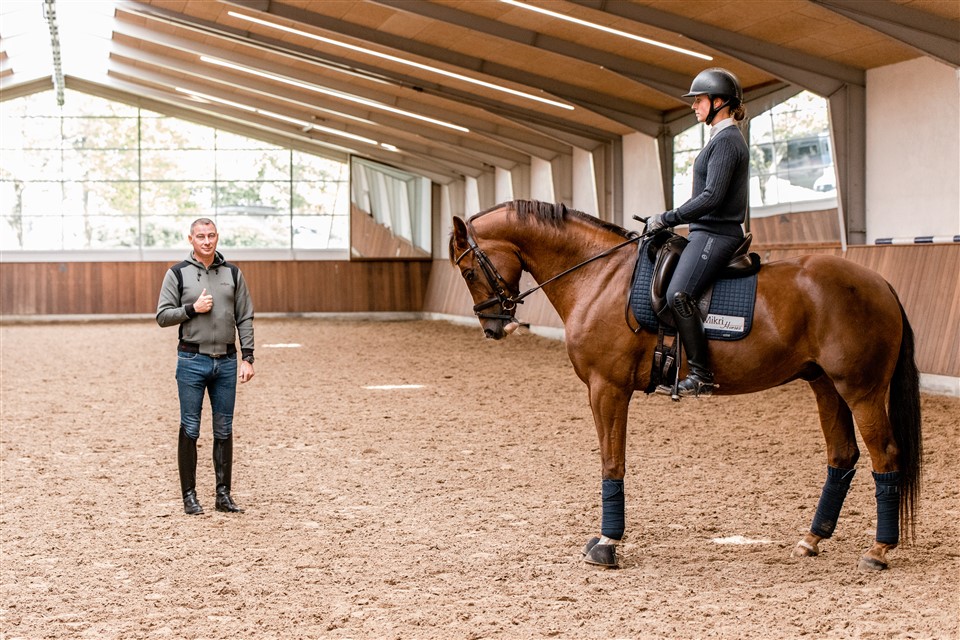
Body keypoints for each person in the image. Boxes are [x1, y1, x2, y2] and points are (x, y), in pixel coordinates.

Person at [645, 68, 749, 398]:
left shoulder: (728, 142)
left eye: (699, 100)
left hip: (717, 234)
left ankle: (702, 375)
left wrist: (668, 217)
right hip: (705, 232)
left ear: (720, 102)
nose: (694, 106)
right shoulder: (720, 139)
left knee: (679, 294)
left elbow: (712, 197)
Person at [156, 218, 255, 515]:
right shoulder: (177, 274)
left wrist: (247, 356)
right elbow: (162, 316)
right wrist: (191, 310)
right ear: (190, 239)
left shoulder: (233, 274)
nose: (207, 241)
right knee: (190, 427)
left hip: (225, 362)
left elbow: (245, 316)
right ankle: (189, 495)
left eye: (211, 235)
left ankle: (223, 495)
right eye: (201, 236)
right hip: (191, 361)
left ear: (217, 237)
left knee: (224, 428)